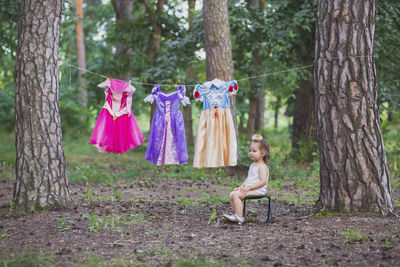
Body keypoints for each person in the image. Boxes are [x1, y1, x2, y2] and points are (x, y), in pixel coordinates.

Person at [223, 133, 270, 224]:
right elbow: (248, 179)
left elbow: (263, 182)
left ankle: (239, 217)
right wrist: (241, 187)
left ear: (262, 153)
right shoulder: (253, 165)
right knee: (232, 194)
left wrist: (249, 188)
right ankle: (237, 214)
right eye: (250, 150)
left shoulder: (262, 167)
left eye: (254, 151)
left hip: (258, 190)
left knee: (236, 195)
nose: (251, 153)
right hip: (250, 188)